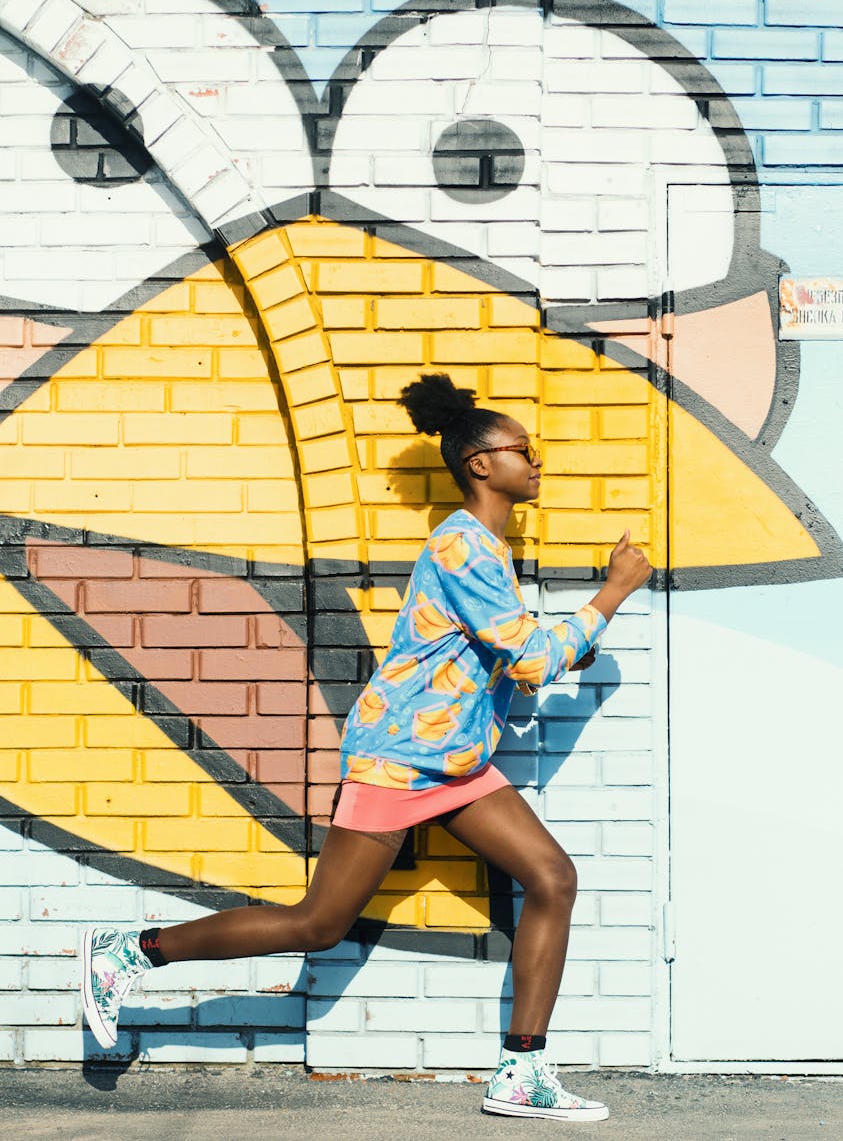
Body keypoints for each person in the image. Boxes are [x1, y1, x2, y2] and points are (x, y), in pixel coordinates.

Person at [81, 372, 652, 1122]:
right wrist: (610, 594)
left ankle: (520, 1074)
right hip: (399, 761)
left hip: (453, 762)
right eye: (524, 450)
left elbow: (508, 654)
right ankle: (132, 950)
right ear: (481, 463)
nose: (536, 462)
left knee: (551, 878)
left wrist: (550, 649)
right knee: (319, 924)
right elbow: (529, 659)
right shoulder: (463, 546)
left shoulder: (485, 548)